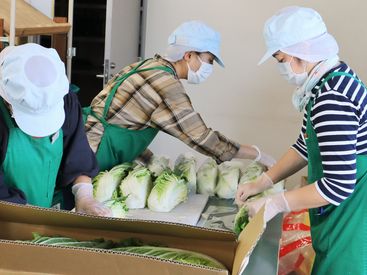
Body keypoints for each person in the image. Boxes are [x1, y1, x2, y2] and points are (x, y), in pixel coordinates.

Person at [235, 6, 367, 274]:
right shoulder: (327, 82)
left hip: (353, 223)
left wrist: (275, 203)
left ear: (301, 54)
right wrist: (263, 181)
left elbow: (339, 186)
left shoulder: (331, 97)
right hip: (341, 218)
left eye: (280, 58)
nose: (280, 67)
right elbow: (306, 144)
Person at [84, 20, 275, 171]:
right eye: (209, 60)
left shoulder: (145, 65)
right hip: (93, 154)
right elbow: (201, 137)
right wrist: (257, 154)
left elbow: (125, 122)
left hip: (85, 144)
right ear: (189, 55)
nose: (209, 67)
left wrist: (150, 160)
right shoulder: (165, 83)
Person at [0, 43, 111, 216]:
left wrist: (84, 197)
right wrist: (25, 216)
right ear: (7, 98)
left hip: (44, 212)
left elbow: (77, 156)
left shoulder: (64, 99)